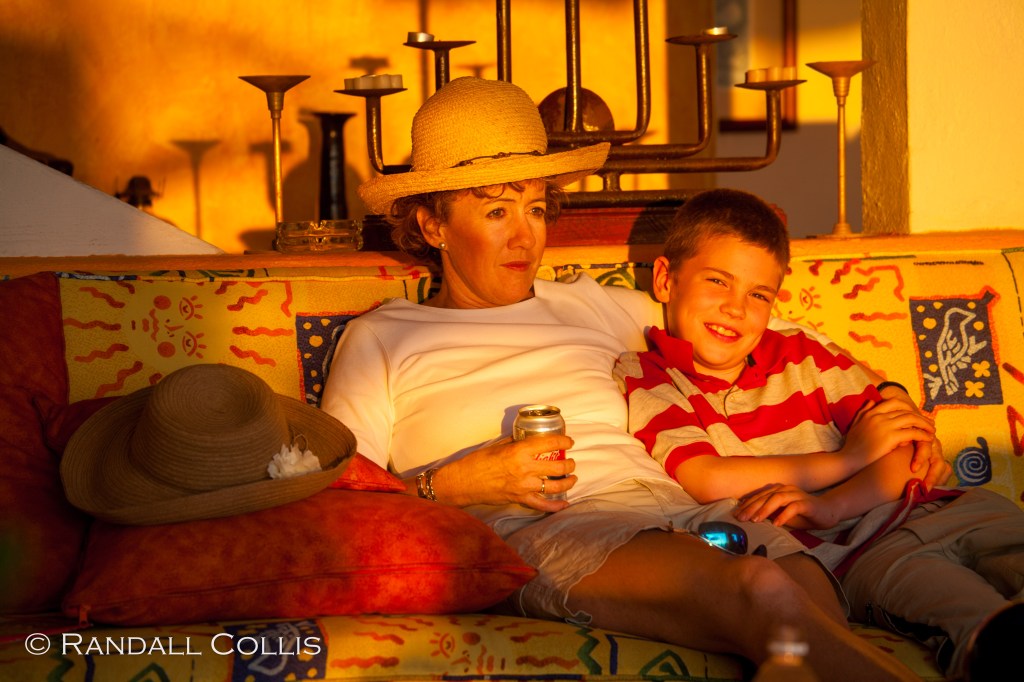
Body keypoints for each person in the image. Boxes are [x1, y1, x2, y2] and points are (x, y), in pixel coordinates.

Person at [320, 77, 923, 680]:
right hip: (547, 526)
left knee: (806, 594)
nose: (525, 236)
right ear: (434, 226)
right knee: (762, 590)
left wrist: (893, 408)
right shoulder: (383, 338)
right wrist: (456, 483)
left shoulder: (589, 305)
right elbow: (337, 507)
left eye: (535, 209)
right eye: (497, 211)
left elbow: (765, 325)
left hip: (678, 506)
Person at [615, 188, 1024, 681]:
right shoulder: (650, 376)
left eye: (758, 295)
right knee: (982, 625)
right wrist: (849, 460)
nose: (735, 308)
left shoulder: (802, 352)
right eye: (717, 281)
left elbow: (907, 446)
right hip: (865, 555)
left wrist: (832, 503)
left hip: (953, 506)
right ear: (665, 279)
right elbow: (707, 476)